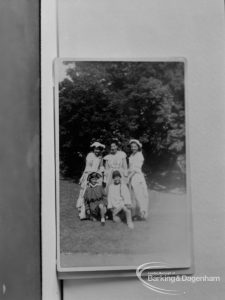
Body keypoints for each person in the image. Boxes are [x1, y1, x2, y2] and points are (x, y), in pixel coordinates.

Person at [76, 141, 105, 219]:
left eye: (98, 149)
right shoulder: (89, 155)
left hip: (96, 176)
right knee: (86, 192)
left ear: (100, 150)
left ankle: (94, 213)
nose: (97, 151)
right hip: (89, 175)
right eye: (95, 149)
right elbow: (87, 167)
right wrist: (84, 177)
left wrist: (101, 175)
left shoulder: (101, 156)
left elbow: (101, 167)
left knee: (96, 193)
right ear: (93, 149)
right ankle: (83, 213)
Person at [128, 139, 149, 220]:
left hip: (137, 177)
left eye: (135, 147)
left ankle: (143, 213)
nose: (133, 148)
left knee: (140, 195)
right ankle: (135, 214)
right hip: (131, 176)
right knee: (133, 196)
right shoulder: (131, 155)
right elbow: (130, 168)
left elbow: (136, 168)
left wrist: (129, 176)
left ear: (138, 147)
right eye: (132, 147)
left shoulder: (139, 155)